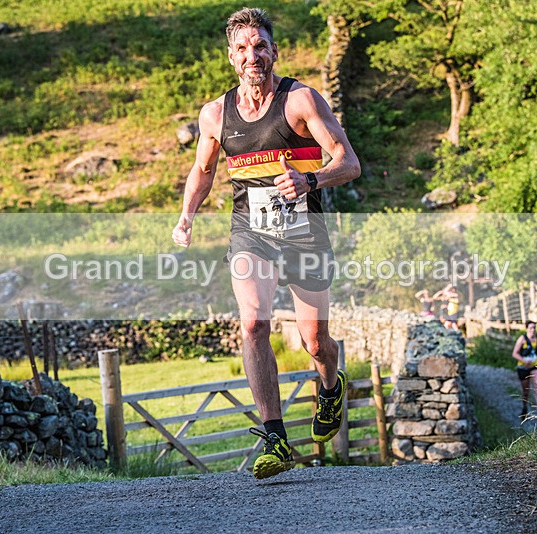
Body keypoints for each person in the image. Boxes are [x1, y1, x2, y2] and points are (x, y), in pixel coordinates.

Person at [171, 7, 361, 480]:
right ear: (231, 57)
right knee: (254, 322)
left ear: (274, 51)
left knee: (315, 342)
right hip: (250, 234)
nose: (251, 55)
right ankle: (275, 438)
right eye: (242, 48)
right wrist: (186, 216)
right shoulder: (215, 114)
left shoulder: (300, 101)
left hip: (304, 234)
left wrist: (310, 179)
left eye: (260, 46)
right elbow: (203, 170)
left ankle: (330, 386)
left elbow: (349, 162)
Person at [512, 320, 537, 419]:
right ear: (527, 329)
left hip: (535, 365)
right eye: (531, 328)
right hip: (523, 367)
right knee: (526, 391)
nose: (533, 330)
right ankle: (524, 408)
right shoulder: (522, 339)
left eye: (534, 328)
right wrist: (523, 360)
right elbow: (514, 353)